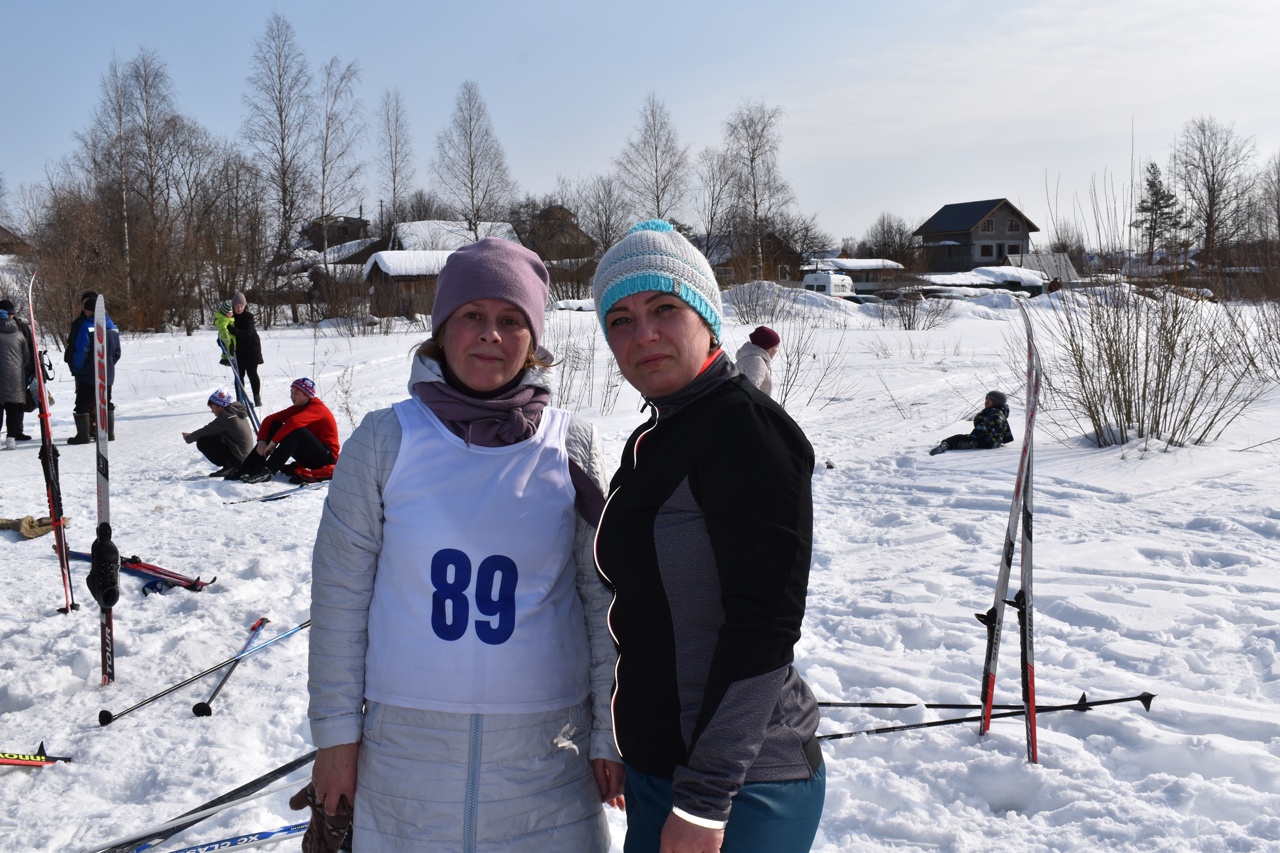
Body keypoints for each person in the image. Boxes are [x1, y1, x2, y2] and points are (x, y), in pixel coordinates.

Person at [304, 237, 624, 851]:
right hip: (406, 765)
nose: (490, 335)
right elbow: (340, 599)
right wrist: (336, 741)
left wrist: (609, 734)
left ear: (534, 340)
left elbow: (599, 598)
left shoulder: (570, 444)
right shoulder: (384, 440)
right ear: (442, 329)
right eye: (471, 316)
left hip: (545, 768)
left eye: (511, 320)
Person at [591, 220, 825, 853]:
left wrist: (703, 802)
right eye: (620, 319)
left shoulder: (745, 430)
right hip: (660, 770)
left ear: (707, 315)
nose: (643, 335)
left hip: (738, 785)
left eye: (664, 308)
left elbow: (764, 626)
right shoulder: (660, 434)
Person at [226, 377, 338, 484]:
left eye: (296, 393)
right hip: (310, 455)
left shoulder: (318, 408)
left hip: (326, 458)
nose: (292, 396)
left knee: (297, 431)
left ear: (307, 395)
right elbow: (269, 419)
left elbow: (293, 422)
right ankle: (247, 467)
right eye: (291, 392)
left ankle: (267, 470)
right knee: (276, 425)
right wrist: (262, 441)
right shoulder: (299, 407)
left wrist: (273, 443)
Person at [67, 294, 121, 445]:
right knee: (105, 401)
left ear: (90, 311)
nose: (84, 313)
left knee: (83, 404)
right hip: (107, 373)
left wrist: (77, 369)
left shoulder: (86, 326)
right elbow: (117, 353)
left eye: (86, 310)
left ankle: (83, 436)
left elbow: (81, 350)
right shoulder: (113, 328)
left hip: (89, 373)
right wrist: (109, 365)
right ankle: (108, 433)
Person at [182, 389, 255, 476]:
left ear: (220, 406)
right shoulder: (235, 412)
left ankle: (232, 466)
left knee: (203, 441)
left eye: (212, 407)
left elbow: (207, 430)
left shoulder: (227, 417)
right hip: (244, 455)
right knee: (213, 437)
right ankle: (231, 465)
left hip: (240, 457)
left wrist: (188, 437)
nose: (212, 411)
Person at [928, 390, 1015, 455]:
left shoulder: (994, 413)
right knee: (960, 438)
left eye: (990, 399)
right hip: (991, 442)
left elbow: (986, 428)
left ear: (996, 402)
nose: (987, 401)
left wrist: (973, 437)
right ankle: (949, 444)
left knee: (957, 439)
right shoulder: (998, 413)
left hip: (984, 441)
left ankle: (946, 445)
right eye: (986, 398)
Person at [0, 298, 34, 442]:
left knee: (16, 405)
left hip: (18, 372)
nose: (11, 316)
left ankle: (17, 431)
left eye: (12, 313)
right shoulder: (20, 330)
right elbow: (28, 353)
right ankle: (13, 435)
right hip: (17, 372)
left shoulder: (22, 327)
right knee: (15, 404)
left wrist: (31, 371)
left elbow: (30, 349)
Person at [228, 292, 264, 408]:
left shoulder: (249, 317)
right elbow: (223, 332)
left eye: (241, 306)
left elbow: (248, 333)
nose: (239, 308)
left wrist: (233, 330)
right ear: (233, 306)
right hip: (238, 350)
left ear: (245, 306)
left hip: (251, 348)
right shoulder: (230, 318)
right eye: (237, 306)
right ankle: (240, 399)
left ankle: (257, 397)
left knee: (252, 373)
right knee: (239, 375)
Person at [734, 325, 780, 397]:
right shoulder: (756, 362)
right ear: (768, 347)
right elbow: (750, 393)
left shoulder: (749, 358)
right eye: (776, 346)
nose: (777, 350)